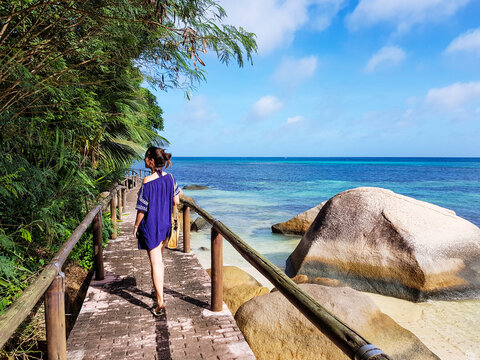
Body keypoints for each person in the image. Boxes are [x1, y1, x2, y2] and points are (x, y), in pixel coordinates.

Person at [133, 146, 181, 316]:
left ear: (152, 161)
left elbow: (142, 209)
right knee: (159, 261)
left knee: (155, 263)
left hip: (151, 226)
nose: (145, 160)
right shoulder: (171, 178)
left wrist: (136, 226)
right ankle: (157, 292)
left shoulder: (147, 181)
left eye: (146, 157)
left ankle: (160, 301)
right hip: (165, 225)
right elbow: (176, 201)